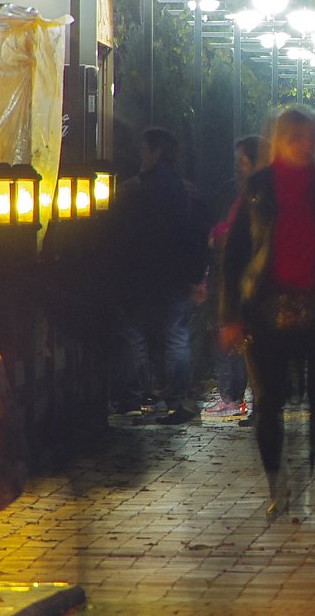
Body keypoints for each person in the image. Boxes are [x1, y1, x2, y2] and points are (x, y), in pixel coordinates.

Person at [218, 108, 315, 516]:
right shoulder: (259, 187)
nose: (306, 145)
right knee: (269, 399)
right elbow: (235, 254)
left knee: (312, 397)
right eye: (298, 137)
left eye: (312, 137)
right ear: (281, 139)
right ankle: (277, 483)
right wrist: (230, 314)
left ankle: (312, 476)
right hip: (264, 309)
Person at [113, 127, 208, 425]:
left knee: (134, 336)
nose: (141, 156)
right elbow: (198, 237)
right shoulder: (188, 192)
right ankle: (176, 400)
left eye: (144, 150)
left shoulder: (132, 190)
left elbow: (119, 236)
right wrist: (194, 275)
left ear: (155, 152)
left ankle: (134, 399)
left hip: (138, 277)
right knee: (177, 336)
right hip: (175, 277)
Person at [204, 136, 260, 419]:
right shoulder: (236, 191)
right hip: (234, 279)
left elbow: (239, 234)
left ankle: (235, 397)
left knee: (240, 340)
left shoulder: (257, 194)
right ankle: (235, 397)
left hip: (245, 282)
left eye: (242, 160)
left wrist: (221, 236)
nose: (237, 165)